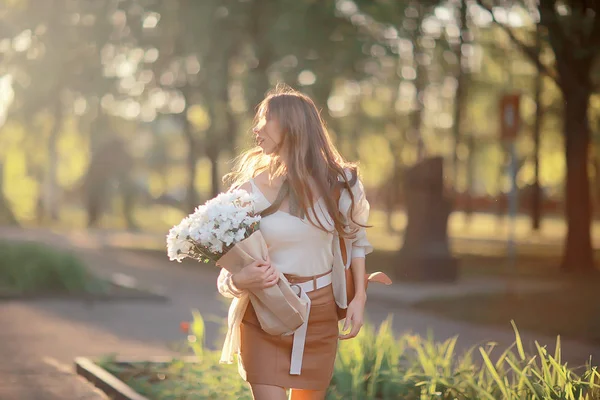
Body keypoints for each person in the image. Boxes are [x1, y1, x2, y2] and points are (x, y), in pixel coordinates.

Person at [217, 85, 373, 400]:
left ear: (290, 126)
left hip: (320, 314)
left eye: (264, 120)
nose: (256, 128)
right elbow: (227, 269)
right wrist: (238, 280)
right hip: (264, 314)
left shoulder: (343, 185)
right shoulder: (246, 194)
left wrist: (359, 300)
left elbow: (356, 241)